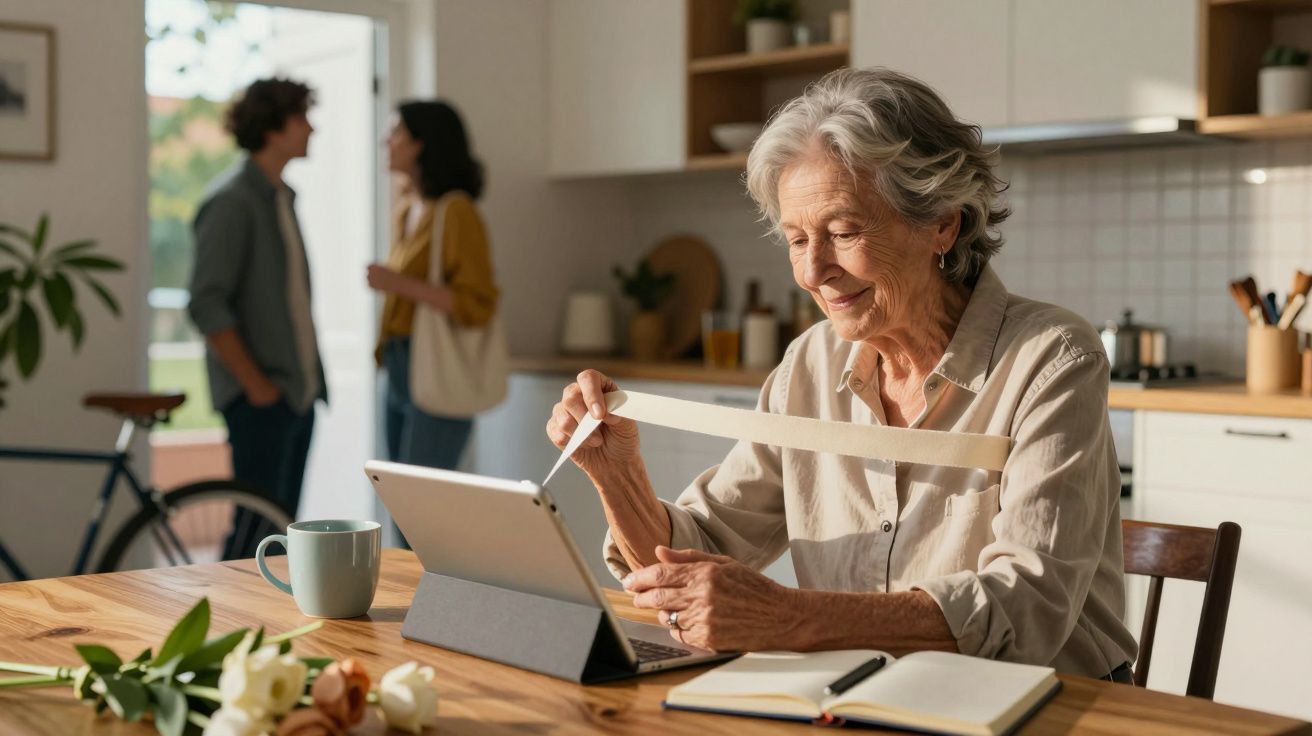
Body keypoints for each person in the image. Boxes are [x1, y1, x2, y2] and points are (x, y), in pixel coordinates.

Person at [545, 68, 1138, 682]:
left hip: (1045, 704)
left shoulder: (1051, 357)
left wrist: (786, 617)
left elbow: (1027, 610)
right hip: (861, 694)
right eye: (797, 240)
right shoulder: (809, 363)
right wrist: (617, 476)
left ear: (943, 222)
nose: (811, 272)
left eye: (842, 232)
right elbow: (695, 559)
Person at [188, 77, 325, 559]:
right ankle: (227, 630)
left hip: (294, 395)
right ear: (274, 127)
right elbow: (206, 304)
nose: (311, 128)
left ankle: (268, 632)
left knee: (280, 532)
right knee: (252, 536)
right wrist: (256, 385)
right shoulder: (232, 202)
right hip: (261, 396)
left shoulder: (280, 197)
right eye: (302, 117)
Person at [367, 100, 497, 480]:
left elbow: (477, 304)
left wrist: (397, 284)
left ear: (421, 144)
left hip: (434, 363)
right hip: (399, 360)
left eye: (395, 133)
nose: (385, 141)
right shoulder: (407, 209)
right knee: (397, 492)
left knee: (422, 502)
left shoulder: (456, 211)